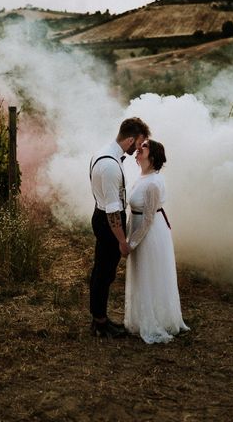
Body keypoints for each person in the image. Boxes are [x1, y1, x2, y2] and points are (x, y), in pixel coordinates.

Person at [89, 117, 151, 338]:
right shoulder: (109, 165)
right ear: (131, 139)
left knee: (101, 271)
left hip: (102, 215)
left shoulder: (105, 153)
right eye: (140, 143)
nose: (139, 149)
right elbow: (113, 212)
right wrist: (122, 241)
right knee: (104, 273)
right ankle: (100, 323)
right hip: (108, 221)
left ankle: (99, 319)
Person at [125, 139, 189, 344]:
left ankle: (155, 320)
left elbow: (149, 218)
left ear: (152, 156)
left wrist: (131, 243)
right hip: (138, 230)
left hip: (150, 234)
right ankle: (142, 317)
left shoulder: (153, 182)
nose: (137, 149)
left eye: (143, 147)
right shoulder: (142, 177)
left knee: (149, 274)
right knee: (141, 274)